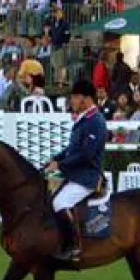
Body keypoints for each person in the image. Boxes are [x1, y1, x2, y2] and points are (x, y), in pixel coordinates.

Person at [43, 79, 107, 262]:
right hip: (76, 175)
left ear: (86, 99)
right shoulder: (85, 119)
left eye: (75, 97)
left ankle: (74, 246)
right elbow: (73, 149)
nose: (72, 101)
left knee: (60, 203)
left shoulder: (95, 121)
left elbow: (86, 154)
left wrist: (61, 165)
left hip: (87, 176)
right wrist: (56, 158)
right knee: (51, 198)